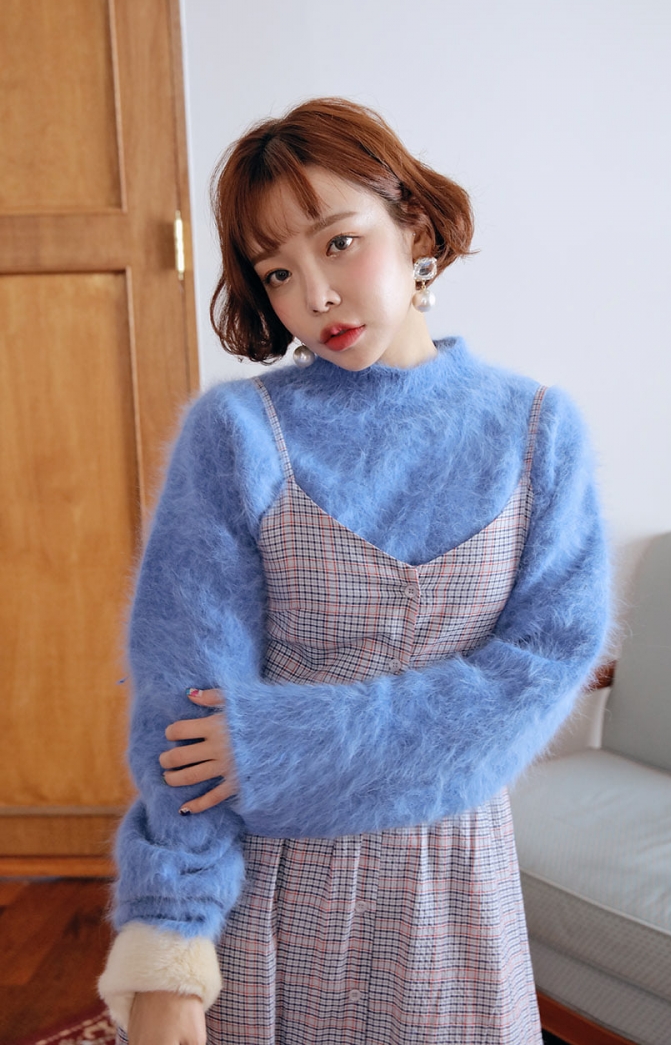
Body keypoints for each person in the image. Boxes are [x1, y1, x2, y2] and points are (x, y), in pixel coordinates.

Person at [98, 97, 609, 1045]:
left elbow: (542, 670)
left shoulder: (538, 430)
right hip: (270, 894)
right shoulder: (237, 433)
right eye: (278, 272)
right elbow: (182, 710)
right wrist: (170, 938)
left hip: (453, 889)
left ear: (414, 224)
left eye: (339, 243)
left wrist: (283, 743)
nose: (317, 295)